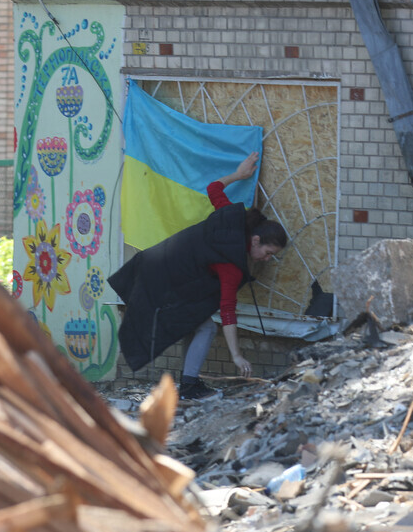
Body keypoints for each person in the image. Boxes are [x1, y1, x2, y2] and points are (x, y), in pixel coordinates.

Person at [108, 151, 288, 401]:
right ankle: (189, 386)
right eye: (268, 253)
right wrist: (237, 356)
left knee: (195, 323)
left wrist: (238, 175)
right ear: (255, 240)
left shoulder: (230, 218)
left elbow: (213, 188)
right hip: (160, 284)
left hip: (149, 267)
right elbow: (227, 311)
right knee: (207, 328)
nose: (267, 259)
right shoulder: (231, 264)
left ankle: (188, 382)